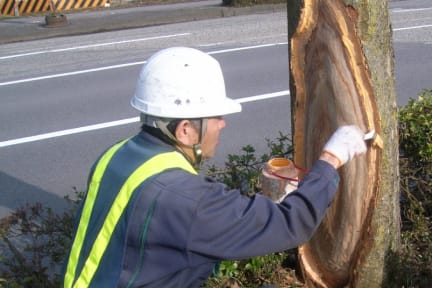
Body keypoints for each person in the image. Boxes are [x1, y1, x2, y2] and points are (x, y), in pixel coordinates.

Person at [62, 47, 367, 288]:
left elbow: (154, 237)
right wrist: (330, 160)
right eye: (214, 117)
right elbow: (289, 225)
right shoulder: (184, 198)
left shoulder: (117, 155)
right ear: (184, 130)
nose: (222, 124)